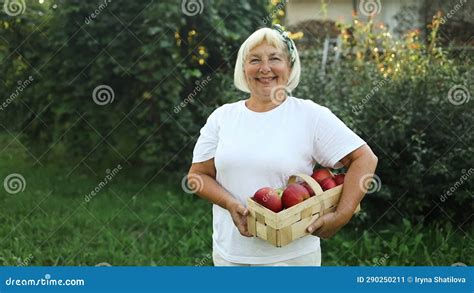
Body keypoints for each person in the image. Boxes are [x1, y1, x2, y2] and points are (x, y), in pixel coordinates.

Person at [187, 25, 378, 266]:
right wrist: (229, 203)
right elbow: (198, 176)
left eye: (274, 58)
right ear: (244, 68)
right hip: (230, 254)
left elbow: (365, 159)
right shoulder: (223, 117)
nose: (264, 68)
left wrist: (342, 216)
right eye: (255, 60)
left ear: (289, 66)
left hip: (291, 258)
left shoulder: (310, 115)